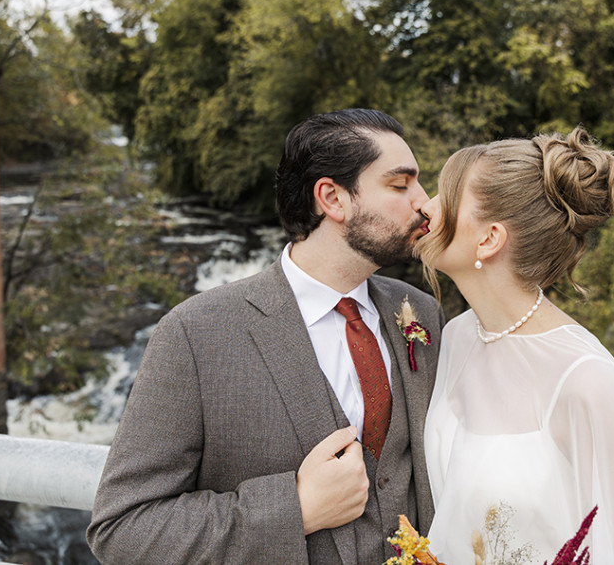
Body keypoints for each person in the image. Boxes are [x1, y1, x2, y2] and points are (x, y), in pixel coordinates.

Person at [87, 108, 444, 564]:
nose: (425, 202)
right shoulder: (195, 335)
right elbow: (123, 529)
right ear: (333, 199)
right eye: (400, 185)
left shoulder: (421, 313)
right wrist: (295, 509)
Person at [416, 127, 614, 565]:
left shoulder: (586, 382)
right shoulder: (459, 338)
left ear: (489, 238)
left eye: (443, 196)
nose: (425, 207)